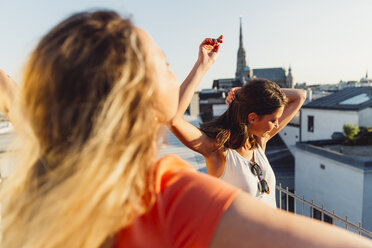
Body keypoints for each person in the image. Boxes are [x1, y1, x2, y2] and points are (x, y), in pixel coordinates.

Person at [0, 10, 371, 248]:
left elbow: (17, 100)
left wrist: (206, 68)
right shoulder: (162, 193)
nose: (171, 68)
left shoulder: (55, 165)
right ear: (142, 96)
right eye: (163, 62)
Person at [169, 50, 306, 208]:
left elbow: (300, 95)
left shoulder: (258, 142)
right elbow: (173, 118)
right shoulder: (218, 150)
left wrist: (245, 94)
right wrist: (202, 64)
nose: (277, 125)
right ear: (252, 118)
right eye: (273, 120)